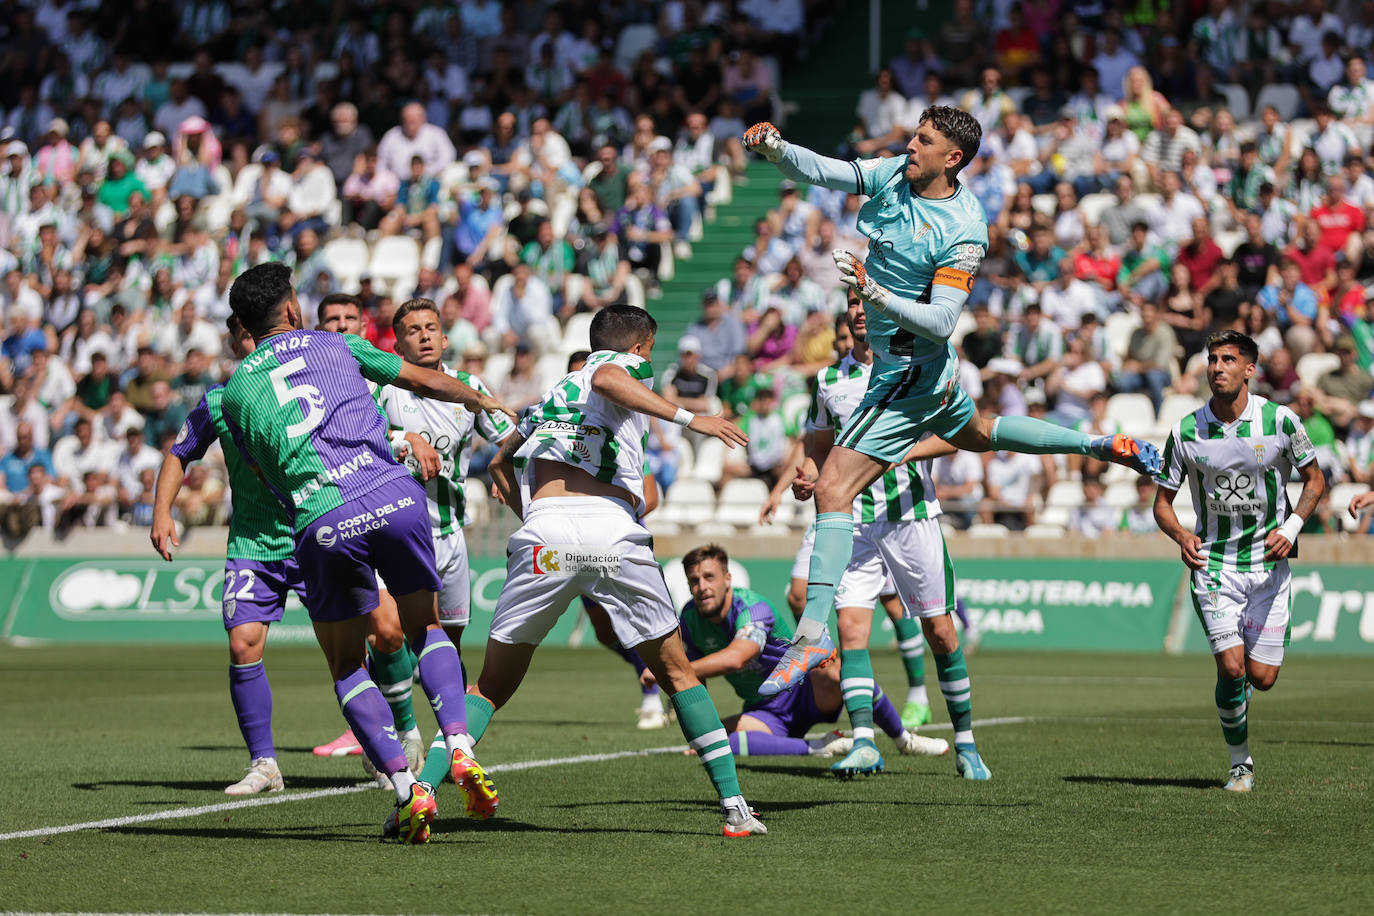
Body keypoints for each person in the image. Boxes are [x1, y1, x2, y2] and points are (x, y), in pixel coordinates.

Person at [742, 109, 1159, 697]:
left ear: (953, 158)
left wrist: (872, 291)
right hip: (923, 373)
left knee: (834, 489)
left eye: (923, 140)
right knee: (980, 433)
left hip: (910, 371)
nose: (910, 145)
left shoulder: (963, 230)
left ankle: (812, 632)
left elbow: (940, 322)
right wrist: (779, 151)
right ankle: (1099, 445)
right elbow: (830, 172)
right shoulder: (897, 174)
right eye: (914, 135)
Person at [218, 263, 513, 844]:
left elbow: (263, 473)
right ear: (293, 311)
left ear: (245, 328)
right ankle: (457, 743)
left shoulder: (235, 392)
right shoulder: (338, 343)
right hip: (394, 496)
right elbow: (425, 382)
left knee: (347, 665)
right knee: (425, 627)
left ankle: (406, 790)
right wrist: (481, 398)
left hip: (323, 516)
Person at [481, 305, 767, 837]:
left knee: (491, 686)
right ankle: (734, 807)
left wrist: (535, 519)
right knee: (677, 672)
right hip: (609, 535)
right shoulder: (617, 369)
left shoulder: (550, 400)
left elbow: (499, 463)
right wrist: (690, 418)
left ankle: (423, 787)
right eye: (649, 352)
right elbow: (611, 377)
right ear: (639, 348)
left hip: (547, 538)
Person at [790, 293, 979, 776]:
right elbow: (819, 447)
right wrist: (809, 475)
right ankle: (863, 741)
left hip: (911, 515)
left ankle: (966, 742)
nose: (857, 310)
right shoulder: (828, 380)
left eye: (863, 302)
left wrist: (904, 453)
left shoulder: (918, 366)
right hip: (851, 523)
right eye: (851, 303)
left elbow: (958, 430)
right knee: (852, 634)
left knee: (940, 631)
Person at [1154, 330, 1325, 792]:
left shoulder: (1282, 421)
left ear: (1250, 369)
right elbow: (1162, 504)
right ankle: (1239, 763)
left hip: (1269, 568)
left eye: (1228, 359)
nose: (1217, 367)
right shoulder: (1185, 431)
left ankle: (1240, 692)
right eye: (1212, 359)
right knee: (1230, 669)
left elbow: (1314, 480)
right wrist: (1181, 534)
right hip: (1214, 566)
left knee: (1261, 679)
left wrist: (1291, 528)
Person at [150, 315, 306, 796]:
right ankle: (264, 765)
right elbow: (180, 453)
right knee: (243, 646)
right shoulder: (220, 400)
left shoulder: (305, 385)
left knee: (360, 642)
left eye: (254, 331)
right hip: (253, 543)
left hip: (314, 532)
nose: (249, 341)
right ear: (235, 343)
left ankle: (386, 748)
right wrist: (162, 512)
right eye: (241, 335)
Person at [376, 298, 516, 792]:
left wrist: (505, 469)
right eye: (413, 330)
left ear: (445, 335)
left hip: (451, 533)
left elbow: (510, 433)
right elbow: (359, 437)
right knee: (387, 634)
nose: (425, 336)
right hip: (396, 533)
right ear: (399, 342)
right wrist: (403, 438)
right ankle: (400, 731)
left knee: (446, 647)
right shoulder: (383, 387)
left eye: (431, 327)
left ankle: (452, 748)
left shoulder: (468, 389)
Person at [651, 544, 946, 762]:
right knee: (707, 740)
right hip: (765, 710)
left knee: (838, 670)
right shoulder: (689, 618)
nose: (702, 587)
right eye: (694, 580)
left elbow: (737, 657)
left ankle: (903, 740)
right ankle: (821, 746)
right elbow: (696, 676)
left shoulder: (753, 608)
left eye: (709, 577)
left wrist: (672, 669)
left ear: (727, 578)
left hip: (804, 689)